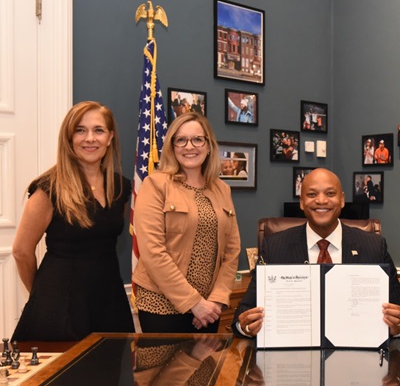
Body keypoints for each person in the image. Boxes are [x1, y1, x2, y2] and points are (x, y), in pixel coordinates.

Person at [232, 168, 400, 338]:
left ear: (342, 200)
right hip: (293, 359)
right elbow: (243, 313)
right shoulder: (274, 246)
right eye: (312, 194)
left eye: (330, 193)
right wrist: (246, 326)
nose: (321, 200)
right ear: (302, 202)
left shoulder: (374, 246)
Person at [11, 101, 134, 341]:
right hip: (60, 305)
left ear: (109, 138)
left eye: (98, 130)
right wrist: (43, 294)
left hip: (110, 301)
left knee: (108, 375)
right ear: (69, 138)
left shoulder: (121, 187)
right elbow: (21, 251)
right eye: (80, 130)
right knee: (62, 378)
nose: (90, 138)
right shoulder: (49, 189)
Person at [132, 112, 241, 333]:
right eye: (181, 140)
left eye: (197, 139)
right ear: (172, 147)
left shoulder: (222, 189)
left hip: (209, 309)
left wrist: (216, 301)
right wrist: (194, 303)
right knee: (164, 369)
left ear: (209, 145)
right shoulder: (156, 185)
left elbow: (232, 251)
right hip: (161, 307)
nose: (189, 146)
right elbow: (153, 252)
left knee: (205, 368)